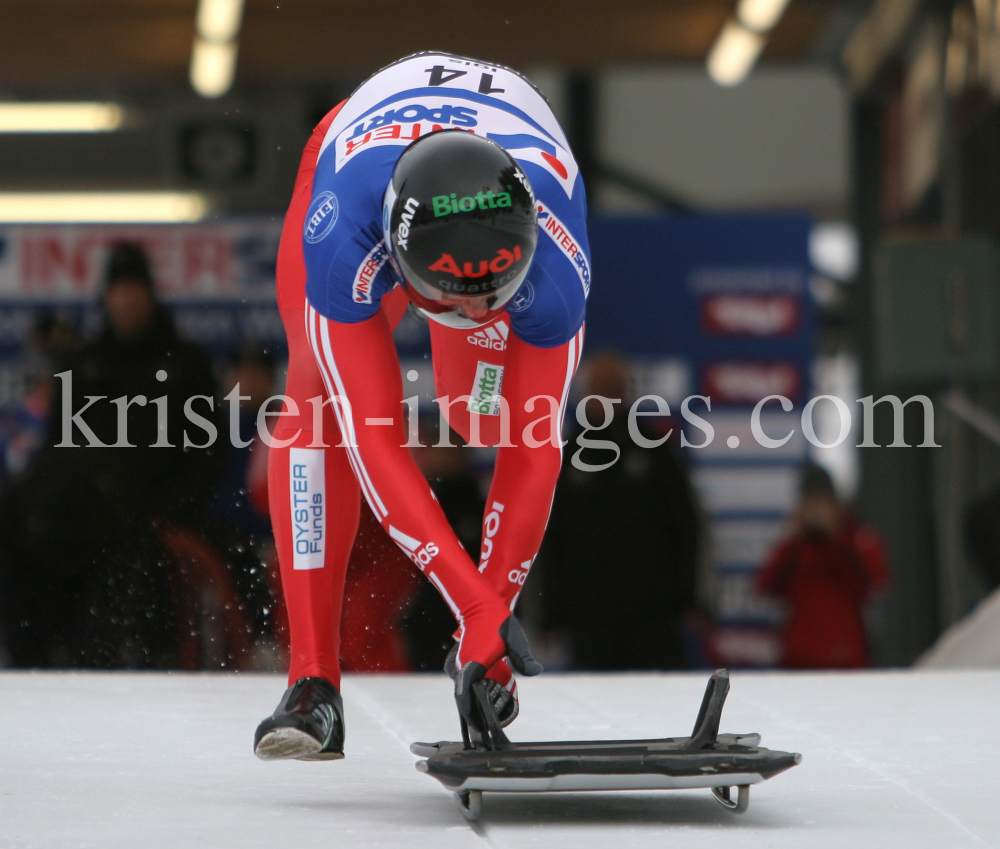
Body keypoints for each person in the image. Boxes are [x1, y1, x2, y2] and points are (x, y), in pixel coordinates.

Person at [253, 51, 589, 761]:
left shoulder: (556, 261)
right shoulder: (342, 236)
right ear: (404, 273)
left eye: (490, 294)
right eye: (453, 299)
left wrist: (488, 634)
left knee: (482, 417)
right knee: (316, 409)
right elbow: (374, 444)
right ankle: (312, 680)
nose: (472, 310)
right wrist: (474, 604)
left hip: (484, 193)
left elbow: (534, 450)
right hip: (353, 162)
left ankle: (478, 647)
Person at [535, 352, 703, 670]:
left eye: (613, 386)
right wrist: (547, 614)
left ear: (627, 392)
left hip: (654, 618)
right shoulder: (564, 457)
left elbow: (689, 525)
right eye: (598, 386)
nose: (605, 395)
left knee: (662, 711)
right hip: (587, 621)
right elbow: (545, 540)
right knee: (596, 713)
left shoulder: (656, 451)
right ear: (583, 393)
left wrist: (694, 600)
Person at [756, 464, 888, 669]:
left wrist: (836, 538)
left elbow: (870, 587)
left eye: (822, 503)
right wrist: (794, 540)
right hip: (798, 658)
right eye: (811, 503)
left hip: (847, 657)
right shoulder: (796, 546)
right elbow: (766, 587)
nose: (816, 511)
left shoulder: (856, 536)